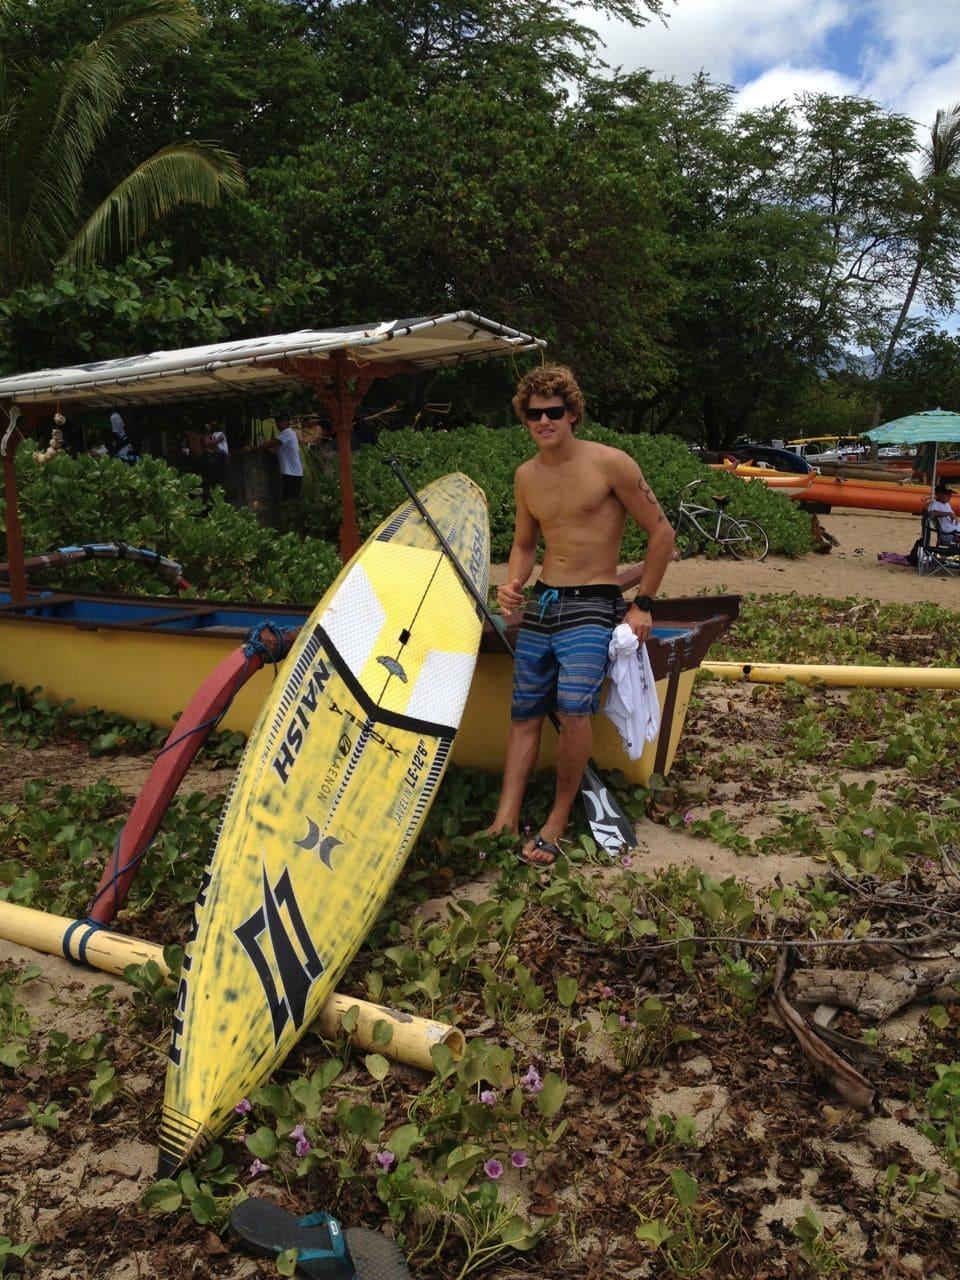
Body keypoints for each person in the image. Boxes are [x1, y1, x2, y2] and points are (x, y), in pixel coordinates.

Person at [485, 365, 676, 866]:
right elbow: (525, 544)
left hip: (593, 605)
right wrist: (514, 583)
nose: (544, 421)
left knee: (573, 710)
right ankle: (505, 816)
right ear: (524, 419)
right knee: (524, 711)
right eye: (534, 414)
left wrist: (643, 604)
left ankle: (557, 820)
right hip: (544, 602)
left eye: (554, 411)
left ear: (573, 414)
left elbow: (663, 536)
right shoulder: (526, 475)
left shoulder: (612, 464)